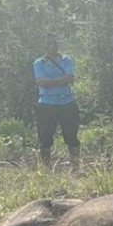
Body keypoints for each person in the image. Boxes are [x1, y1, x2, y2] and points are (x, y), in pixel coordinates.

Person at [33, 34, 80, 167]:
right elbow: (41, 82)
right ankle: (46, 168)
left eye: (54, 43)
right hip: (46, 104)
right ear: (45, 46)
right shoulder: (38, 63)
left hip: (67, 103)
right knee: (45, 137)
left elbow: (69, 78)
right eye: (49, 44)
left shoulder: (67, 60)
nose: (52, 46)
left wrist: (50, 82)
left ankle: (75, 166)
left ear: (58, 45)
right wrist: (61, 80)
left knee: (71, 136)